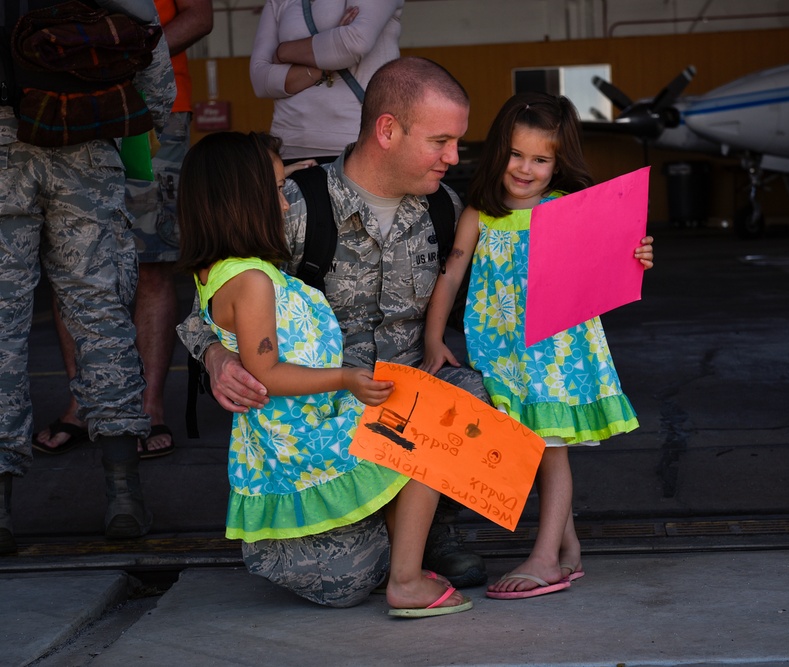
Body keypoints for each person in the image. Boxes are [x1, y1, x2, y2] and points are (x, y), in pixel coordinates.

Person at [178, 56, 486, 587]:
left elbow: (517, 279)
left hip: (403, 407)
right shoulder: (292, 206)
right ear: (388, 130)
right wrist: (215, 355)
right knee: (345, 583)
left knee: (476, 391)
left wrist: (617, 254)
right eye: (440, 141)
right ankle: (374, 540)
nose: (453, 158)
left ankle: (429, 530)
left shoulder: (446, 210)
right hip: (320, 421)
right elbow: (214, 297)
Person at [420, 92, 654, 599]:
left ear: (558, 162)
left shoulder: (567, 210)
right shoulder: (480, 213)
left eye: (541, 159)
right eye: (516, 154)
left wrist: (638, 254)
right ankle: (568, 552)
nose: (525, 168)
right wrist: (434, 336)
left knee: (549, 453)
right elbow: (451, 272)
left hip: (555, 353)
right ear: (499, 150)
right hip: (500, 353)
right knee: (531, 451)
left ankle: (546, 558)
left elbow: (614, 258)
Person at [0, 0, 176, 554]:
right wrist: (148, 112)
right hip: (81, 136)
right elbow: (147, 38)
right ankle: (123, 494)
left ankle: (1, 509)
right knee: (100, 312)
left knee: (1, 325)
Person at [32, 0, 214, 459]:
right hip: (70, 105)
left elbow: (199, 16)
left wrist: (117, 57)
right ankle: (83, 405)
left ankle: (150, 408)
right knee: (71, 259)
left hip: (152, 109)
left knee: (152, 263)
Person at [249, 0, 402, 163]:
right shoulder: (278, 2)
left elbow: (355, 44)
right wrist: (327, 63)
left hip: (357, 142)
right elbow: (260, 81)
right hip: (289, 146)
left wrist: (282, 52)